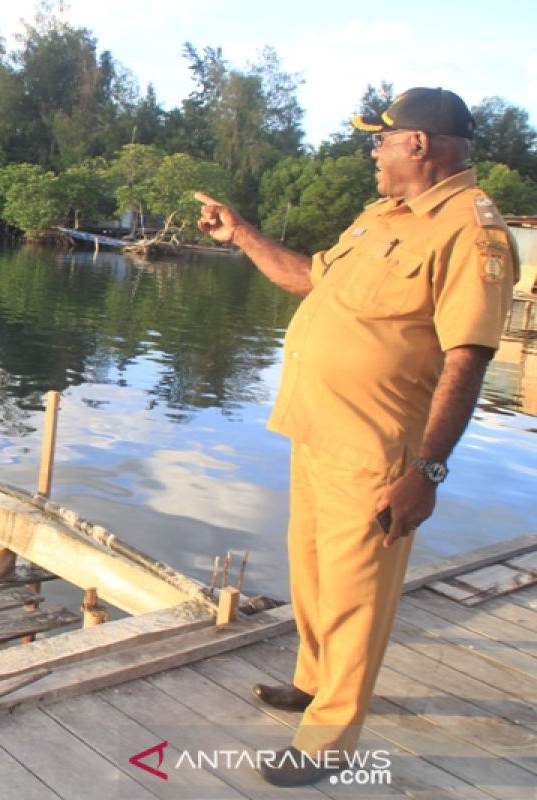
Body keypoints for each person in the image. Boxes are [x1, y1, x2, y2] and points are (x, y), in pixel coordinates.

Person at [194, 87, 518, 786]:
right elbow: (312, 280)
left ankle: (329, 740)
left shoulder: (472, 232)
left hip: (380, 450)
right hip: (319, 433)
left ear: (418, 145)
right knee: (312, 576)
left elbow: (467, 357)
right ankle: (314, 684)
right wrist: (244, 234)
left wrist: (426, 472)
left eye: (381, 139)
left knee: (357, 594)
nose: (373, 150)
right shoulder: (381, 216)